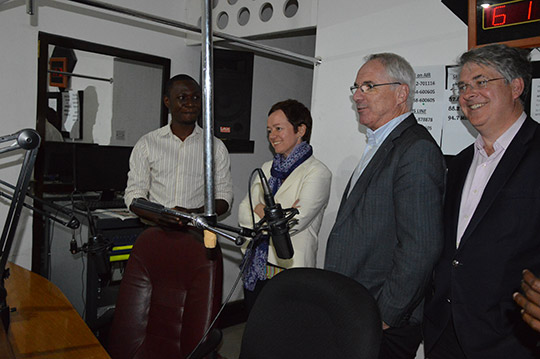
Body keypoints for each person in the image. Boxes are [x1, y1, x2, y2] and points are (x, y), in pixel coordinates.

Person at [324, 53, 445, 359]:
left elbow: (421, 246)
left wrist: (386, 315)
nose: (357, 95)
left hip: (381, 317)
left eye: (368, 86)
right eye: (356, 87)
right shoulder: (379, 143)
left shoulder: (415, 150)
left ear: (401, 92)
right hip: (353, 305)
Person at [423, 44, 540, 359]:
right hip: (445, 332)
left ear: (516, 87)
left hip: (511, 339)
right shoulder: (459, 163)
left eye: (480, 81)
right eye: (462, 86)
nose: (468, 93)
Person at [238, 99, 331, 311]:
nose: (272, 136)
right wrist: (275, 213)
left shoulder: (317, 172)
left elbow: (293, 223)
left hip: (290, 270)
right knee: (256, 331)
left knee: (284, 336)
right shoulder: (266, 167)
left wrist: (260, 208)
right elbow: (244, 212)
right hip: (257, 266)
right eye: (269, 130)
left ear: (300, 130)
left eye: (279, 128)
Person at [124, 74, 233, 225]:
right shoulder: (147, 143)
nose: (190, 104)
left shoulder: (215, 147)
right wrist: (161, 215)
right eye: (182, 98)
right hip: (155, 231)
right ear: (167, 101)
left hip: (196, 233)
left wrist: (192, 214)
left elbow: (224, 197)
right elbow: (133, 195)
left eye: (196, 98)